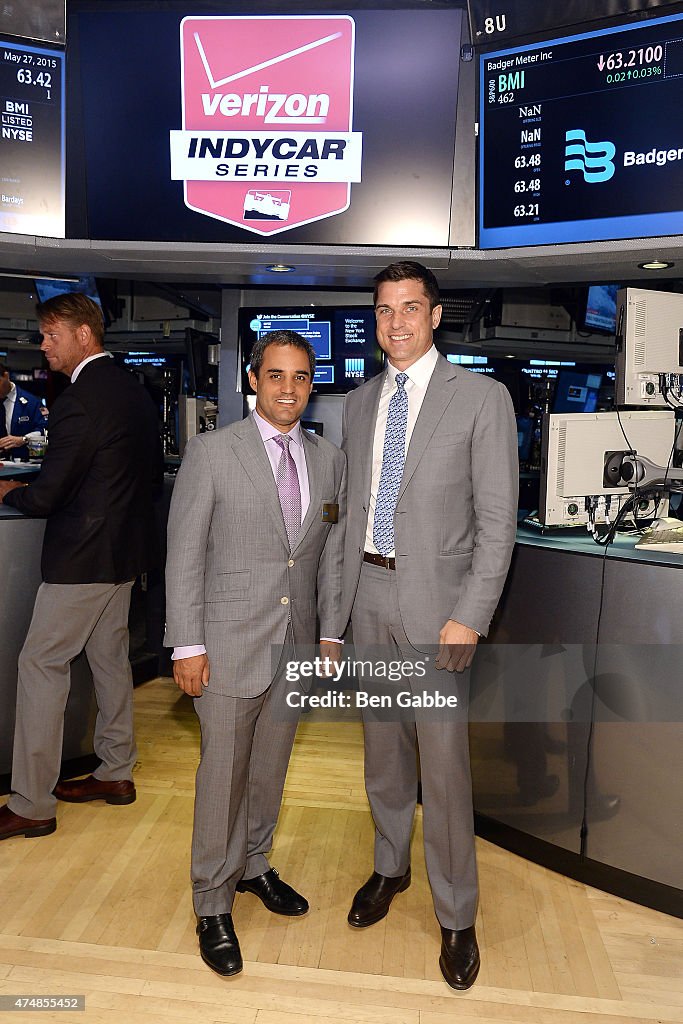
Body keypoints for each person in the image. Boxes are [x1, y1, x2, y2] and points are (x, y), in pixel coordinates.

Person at [339, 261, 518, 991]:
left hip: (438, 613)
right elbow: (347, 515)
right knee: (383, 759)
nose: (396, 323)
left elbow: (497, 522)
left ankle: (457, 913)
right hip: (368, 601)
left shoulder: (481, 398)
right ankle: (389, 869)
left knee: (441, 773)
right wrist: (335, 616)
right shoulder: (355, 403)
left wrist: (468, 617)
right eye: (384, 310)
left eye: (410, 308)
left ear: (436, 315)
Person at [164, 329, 346, 978]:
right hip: (225, 648)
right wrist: (187, 643)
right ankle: (211, 903)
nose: (288, 389)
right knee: (223, 778)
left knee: (268, 772)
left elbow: (323, 554)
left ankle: (254, 867)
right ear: (253, 380)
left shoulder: (328, 458)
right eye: (276, 376)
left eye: (300, 377)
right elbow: (183, 554)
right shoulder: (213, 453)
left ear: (311, 384)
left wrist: (330, 633)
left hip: (294, 646)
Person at [0, 292, 162, 841]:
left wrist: (11, 490)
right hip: (122, 555)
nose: (43, 345)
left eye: (51, 335)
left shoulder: (81, 397)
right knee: (109, 659)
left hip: (83, 558)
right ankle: (115, 771)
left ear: (83, 335)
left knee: (40, 664)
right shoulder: (131, 389)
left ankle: (31, 802)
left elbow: (50, 493)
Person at [0, 360, 48, 461]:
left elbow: (45, 428)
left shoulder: (33, 402)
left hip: (24, 465)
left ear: (6, 376)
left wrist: (24, 439)